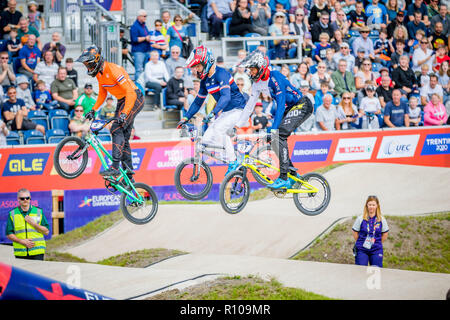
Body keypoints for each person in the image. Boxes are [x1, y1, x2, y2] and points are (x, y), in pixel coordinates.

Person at [235, 50, 313, 189]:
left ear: (261, 68)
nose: (250, 73)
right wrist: (237, 125)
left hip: (302, 104)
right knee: (275, 140)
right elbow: (249, 107)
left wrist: (275, 128)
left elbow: (281, 104)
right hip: (290, 108)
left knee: (279, 134)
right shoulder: (257, 84)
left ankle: (283, 177)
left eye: (252, 69)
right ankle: (292, 174)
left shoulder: (275, 76)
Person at [178, 45, 246, 176]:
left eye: (198, 66)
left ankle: (233, 161)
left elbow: (226, 97)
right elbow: (198, 101)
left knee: (219, 129)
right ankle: (232, 154)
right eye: (195, 67)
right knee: (205, 140)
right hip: (227, 112)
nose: (196, 69)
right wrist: (185, 118)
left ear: (207, 62)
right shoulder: (204, 80)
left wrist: (213, 113)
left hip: (239, 109)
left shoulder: (222, 74)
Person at [77, 45, 144, 179]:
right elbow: (102, 93)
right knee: (123, 135)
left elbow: (130, 92)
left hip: (134, 98)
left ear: (96, 61)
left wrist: (124, 113)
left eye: (88, 64)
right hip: (122, 100)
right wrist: (93, 110)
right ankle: (128, 172)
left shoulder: (113, 70)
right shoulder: (100, 74)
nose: (87, 68)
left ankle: (115, 167)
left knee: (116, 128)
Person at [5, 188, 50, 260]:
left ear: (30, 198)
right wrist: (22, 241)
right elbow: (9, 234)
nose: (25, 200)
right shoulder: (12, 213)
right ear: (18, 199)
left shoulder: (38, 211)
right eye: (22, 198)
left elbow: (46, 231)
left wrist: (34, 224)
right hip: (20, 252)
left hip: (37, 251)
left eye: (27, 198)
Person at [352, 195, 389, 268]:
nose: (371, 207)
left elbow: (385, 234)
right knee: (360, 270)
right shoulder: (360, 218)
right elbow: (355, 232)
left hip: (376, 249)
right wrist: (361, 241)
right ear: (367, 205)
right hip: (362, 249)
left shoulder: (381, 219)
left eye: (373, 205)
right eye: (369, 205)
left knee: (376, 272)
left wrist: (377, 242)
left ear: (377, 206)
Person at [130, 9, 151, 81]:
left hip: (146, 50)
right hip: (138, 51)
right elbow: (134, 39)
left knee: (146, 70)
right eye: (144, 16)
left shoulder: (144, 26)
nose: (145, 18)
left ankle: (144, 86)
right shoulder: (135, 26)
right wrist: (145, 38)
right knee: (139, 70)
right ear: (139, 17)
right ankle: (138, 88)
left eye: (146, 16)